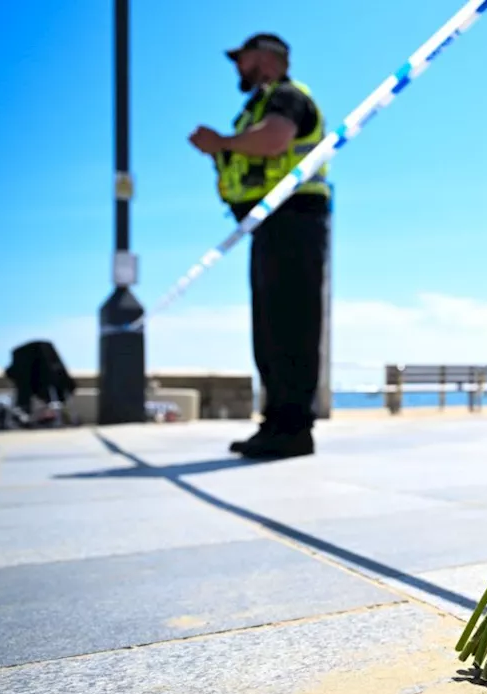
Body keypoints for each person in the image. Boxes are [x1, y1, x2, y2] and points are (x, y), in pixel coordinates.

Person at [188, 33, 330, 458]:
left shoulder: (287, 97)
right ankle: (277, 422)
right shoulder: (260, 104)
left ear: (267, 59)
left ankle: (292, 427)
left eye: (242, 59)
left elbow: (275, 140)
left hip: (294, 217)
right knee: (271, 328)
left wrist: (222, 143)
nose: (238, 67)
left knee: (290, 324)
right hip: (271, 222)